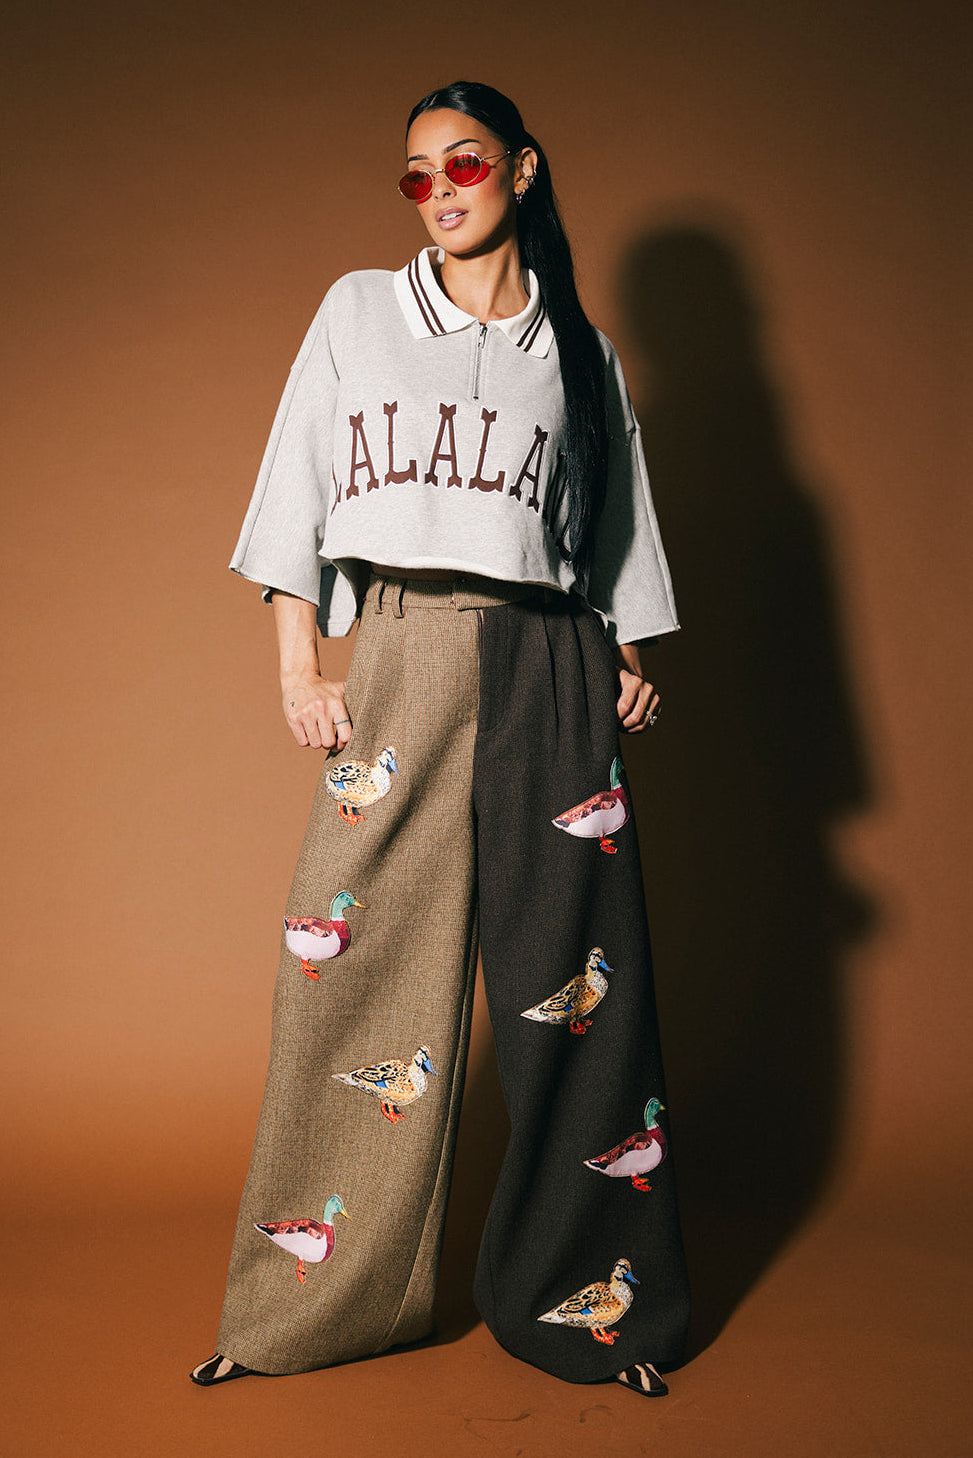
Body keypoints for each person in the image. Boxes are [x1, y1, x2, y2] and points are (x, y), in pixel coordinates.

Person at [191, 79, 691, 1401]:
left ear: (521, 169)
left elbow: (611, 523)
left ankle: (596, 1318)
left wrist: (627, 657)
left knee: (578, 985)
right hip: (404, 649)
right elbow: (296, 482)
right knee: (347, 971)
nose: (437, 192)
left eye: (462, 164)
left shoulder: (577, 349)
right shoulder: (361, 310)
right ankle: (300, 1315)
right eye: (415, 174)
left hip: (551, 664)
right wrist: (299, 664)